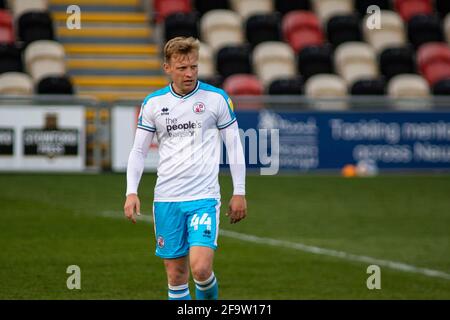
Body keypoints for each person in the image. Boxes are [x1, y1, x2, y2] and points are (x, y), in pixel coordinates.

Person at [123, 37, 247, 300]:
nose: (189, 73)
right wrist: (131, 192)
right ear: (167, 68)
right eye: (182, 68)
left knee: (201, 269)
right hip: (167, 199)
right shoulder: (153, 104)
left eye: (193, 66)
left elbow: (234, 147)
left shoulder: (216, 99)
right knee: (176, 276)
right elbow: (138, 151)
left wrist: (239, 191)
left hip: (203, 197)